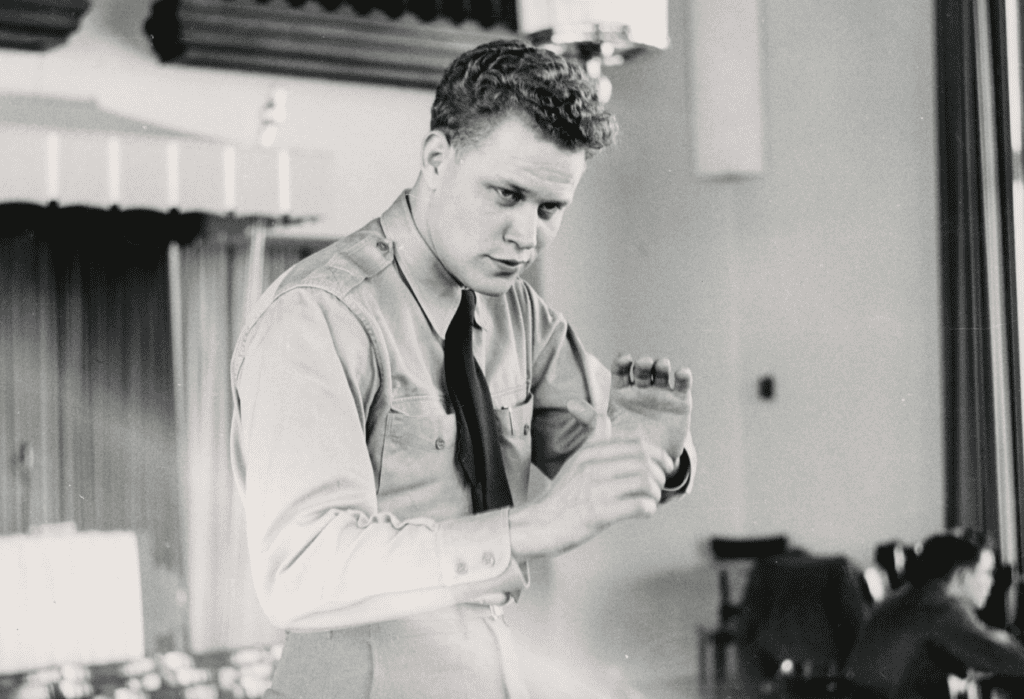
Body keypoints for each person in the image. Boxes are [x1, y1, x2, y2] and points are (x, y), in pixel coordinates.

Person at [229, 40, 696, 698]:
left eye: (549, 208)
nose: (526, 236)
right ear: (436, 159)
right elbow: (300, 567)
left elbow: (594, 463)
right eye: (506, 193)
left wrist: (649, 451)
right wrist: (529, 527)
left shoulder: (519, 315)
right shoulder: (318, 315)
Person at [844, 530, 1024, 699]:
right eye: (988, 572)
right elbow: (1014, 660)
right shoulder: (941, 607)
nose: (992, 582)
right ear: (962, 575)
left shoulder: (909, 595)